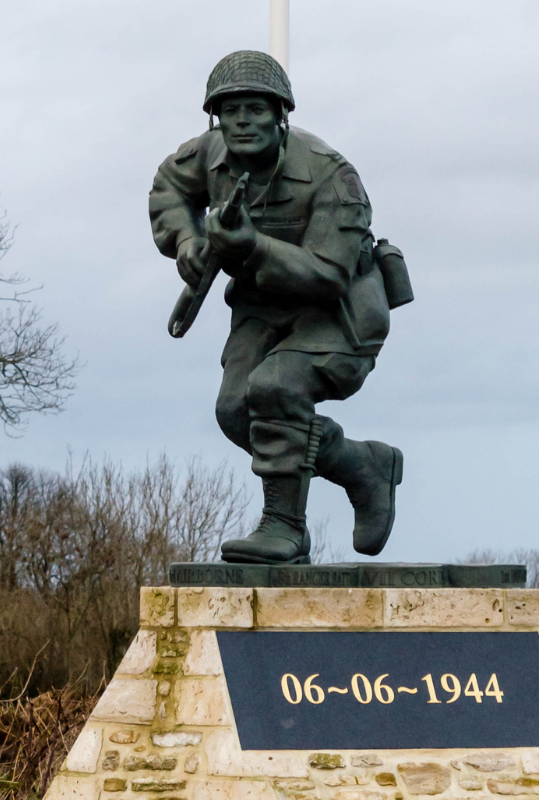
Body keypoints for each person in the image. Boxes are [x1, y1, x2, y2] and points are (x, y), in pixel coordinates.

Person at [149, 50, 408, 564]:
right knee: (235, 409)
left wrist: (252, 247)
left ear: (280, 113)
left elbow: (329, 273)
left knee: (276, 388)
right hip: (261, 305)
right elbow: (168, 188)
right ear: (215, 118)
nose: (242, 121)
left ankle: (284, 527)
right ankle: (359, 465)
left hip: (339, 313)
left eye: (255, 108)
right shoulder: (209, 153)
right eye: (231, 110)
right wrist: (186, 241)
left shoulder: (332, 174)